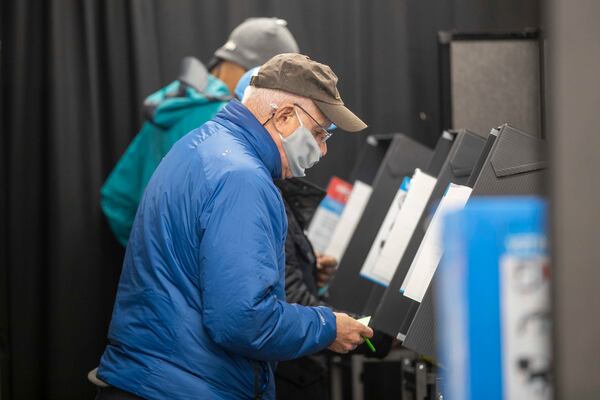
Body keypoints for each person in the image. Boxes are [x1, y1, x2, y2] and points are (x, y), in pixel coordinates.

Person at [94, 53, 371, 400]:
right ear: (284, 117)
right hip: (185, 388)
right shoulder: (244, 179)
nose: (323, 149)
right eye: (318, 133)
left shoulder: (200, 145)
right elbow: (243, 321)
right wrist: (328, 327)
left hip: (151, 379)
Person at [101, 17, 299, 246]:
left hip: (150, 272)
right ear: (259, 73)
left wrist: (148, 254)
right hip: (204, 276)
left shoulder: (173, 105)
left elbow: (117, 199)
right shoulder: (234, 125)